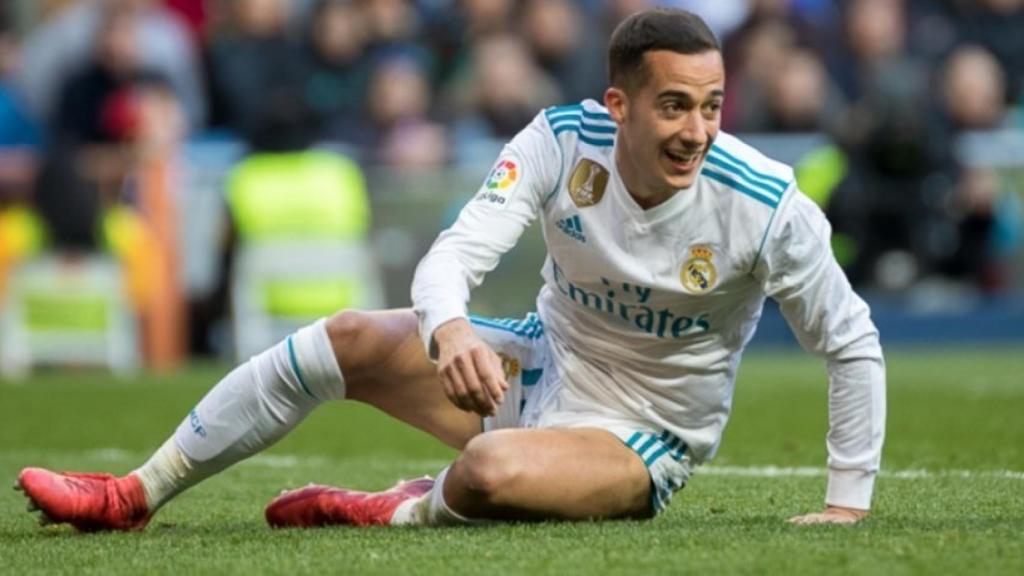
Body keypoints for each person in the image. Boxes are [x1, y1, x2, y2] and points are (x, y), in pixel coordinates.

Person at [16, 8, 885, 530]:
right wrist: (452, 325)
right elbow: (452, 258)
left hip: (643, 435)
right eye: (672, 106)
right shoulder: (557, 140)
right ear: (617, 105)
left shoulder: (765, 202)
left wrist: (846, 502)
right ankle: (137, 491)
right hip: (541, 365)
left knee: (493, 471)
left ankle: (391, 509)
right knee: (348, 336)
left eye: (710, 106)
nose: (696, 130)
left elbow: (850, 343)